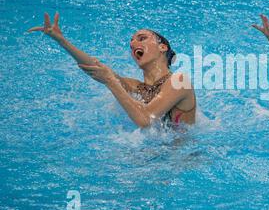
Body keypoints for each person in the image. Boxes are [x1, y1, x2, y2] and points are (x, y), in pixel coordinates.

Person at [29, 12, 196, 128]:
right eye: (131, 44)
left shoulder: (179, 81)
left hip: (181, 161)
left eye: (142, 38)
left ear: (162, 47)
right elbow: (96, 69)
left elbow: (145, 120)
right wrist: (62, 41)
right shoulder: (137, 87)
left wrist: (110, 81)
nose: (133, 44)